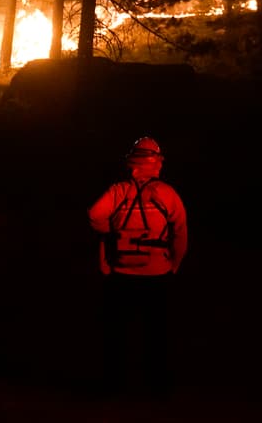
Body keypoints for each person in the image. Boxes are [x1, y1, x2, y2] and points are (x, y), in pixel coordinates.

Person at [88, 136, 188, 398]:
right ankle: (158, 387)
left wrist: (111, 232)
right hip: (157, 275)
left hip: (121, 274)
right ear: (156, 162)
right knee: (157, 334)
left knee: (116, 333)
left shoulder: (118, 191)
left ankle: (114, 385)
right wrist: (174, 265)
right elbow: (180, 233)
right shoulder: (167, 193)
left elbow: (94, 215)